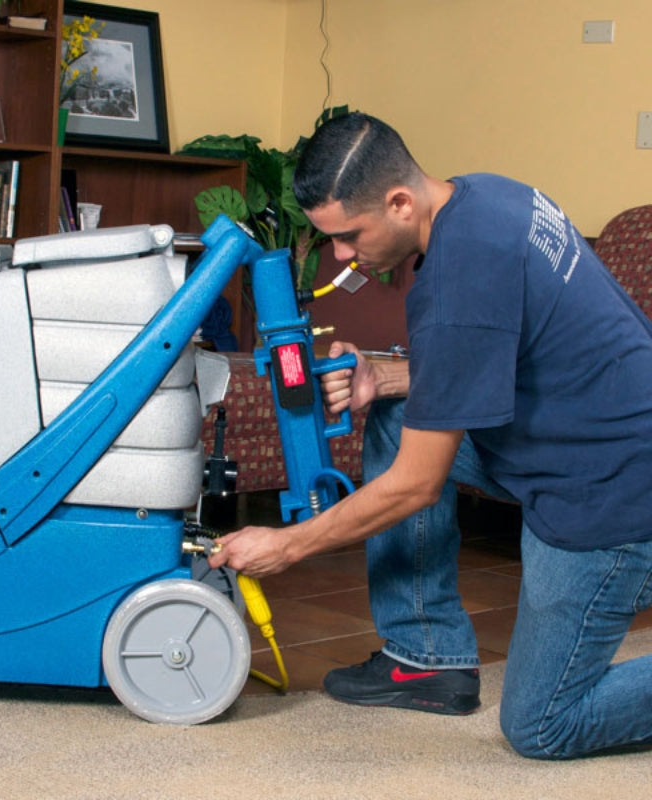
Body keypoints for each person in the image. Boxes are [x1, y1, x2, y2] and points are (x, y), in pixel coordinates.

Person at [209, 111, 652, 759]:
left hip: (610, 495)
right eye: (329, 239)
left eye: (349, 235)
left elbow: (413, 487)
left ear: (399, 201)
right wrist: (387, 378)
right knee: (395, 418)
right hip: (583, 440)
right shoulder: (489, 196)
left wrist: (287, 545)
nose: (340, 255)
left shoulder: (456, 284)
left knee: (543, 724)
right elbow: (503, 348)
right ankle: (427, 656)